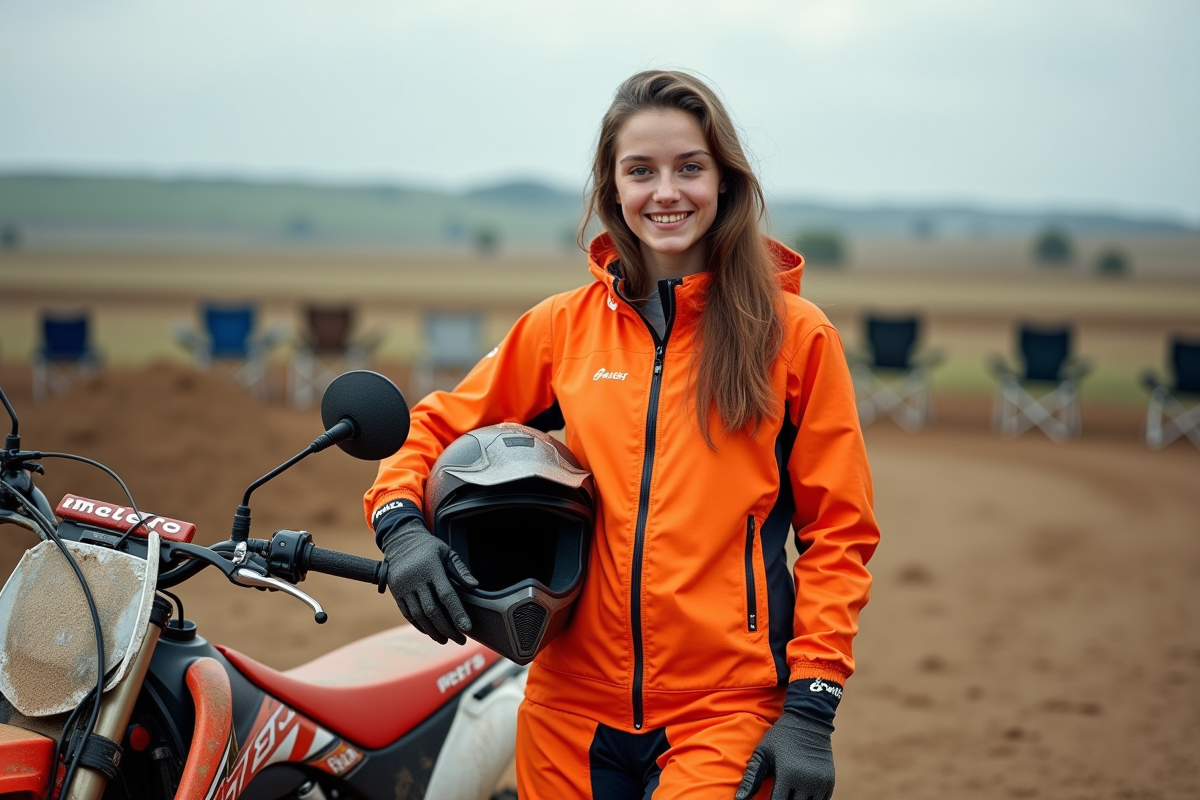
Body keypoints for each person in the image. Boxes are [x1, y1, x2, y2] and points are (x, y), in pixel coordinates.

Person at [363, 70, 879, 800]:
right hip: (567, 708)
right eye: (641, 171)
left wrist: (811, 710)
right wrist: (401, 528)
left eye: (689, 168)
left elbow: (841, 534)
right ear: (613, 190)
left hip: (723, 710)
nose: (666, 192)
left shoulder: (796, 338)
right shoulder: (559, 330)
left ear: (725, 182)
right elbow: (432, 426)